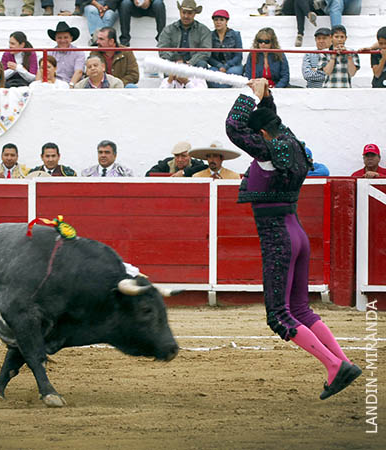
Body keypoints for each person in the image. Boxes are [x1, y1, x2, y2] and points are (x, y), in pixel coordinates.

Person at [225, 77, 362, 400]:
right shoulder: (290, 143)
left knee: (279, 315)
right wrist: (265, 98)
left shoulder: (267, 153)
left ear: (260, 135)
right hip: (297, 233)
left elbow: (233, 127)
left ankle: (333, 365)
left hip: (278, 238)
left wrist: (247, 95)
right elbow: (270, 123)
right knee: (301, 308)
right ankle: (343, 362)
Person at [157, 0, 211, 68]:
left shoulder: (203, 30)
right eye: (184, 12)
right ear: (180, 12)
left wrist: (191, 62)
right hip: (174, 63)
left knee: (202, 64)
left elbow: (205, 51)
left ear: (194, 14)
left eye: (189, 13)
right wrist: (176, 59)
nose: (186, 16)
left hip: (194, 63)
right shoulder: (169, 29)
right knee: (166, 63)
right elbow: (163, 49)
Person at [208, 9, 243, 87]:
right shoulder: (210, 35)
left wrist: (226, 66)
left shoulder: (235, 35)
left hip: (233, 66)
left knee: (233, 73)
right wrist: (219, 66)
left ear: (226, 21)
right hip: (216, 66)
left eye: (221, 20)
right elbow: (209, 56)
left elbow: (238, 56)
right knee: (210, 74)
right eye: (216, 20)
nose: (218, 22)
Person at [48, 21, 85, 88]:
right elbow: (43, 70)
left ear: (71, 38)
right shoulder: (49, 53)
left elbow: (79, 71)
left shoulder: (79, 52)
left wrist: (71, 85)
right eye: (59, 38)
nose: (62, 40)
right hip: (54, 85)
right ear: (55, 39)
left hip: (74, 85)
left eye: (66, 37)